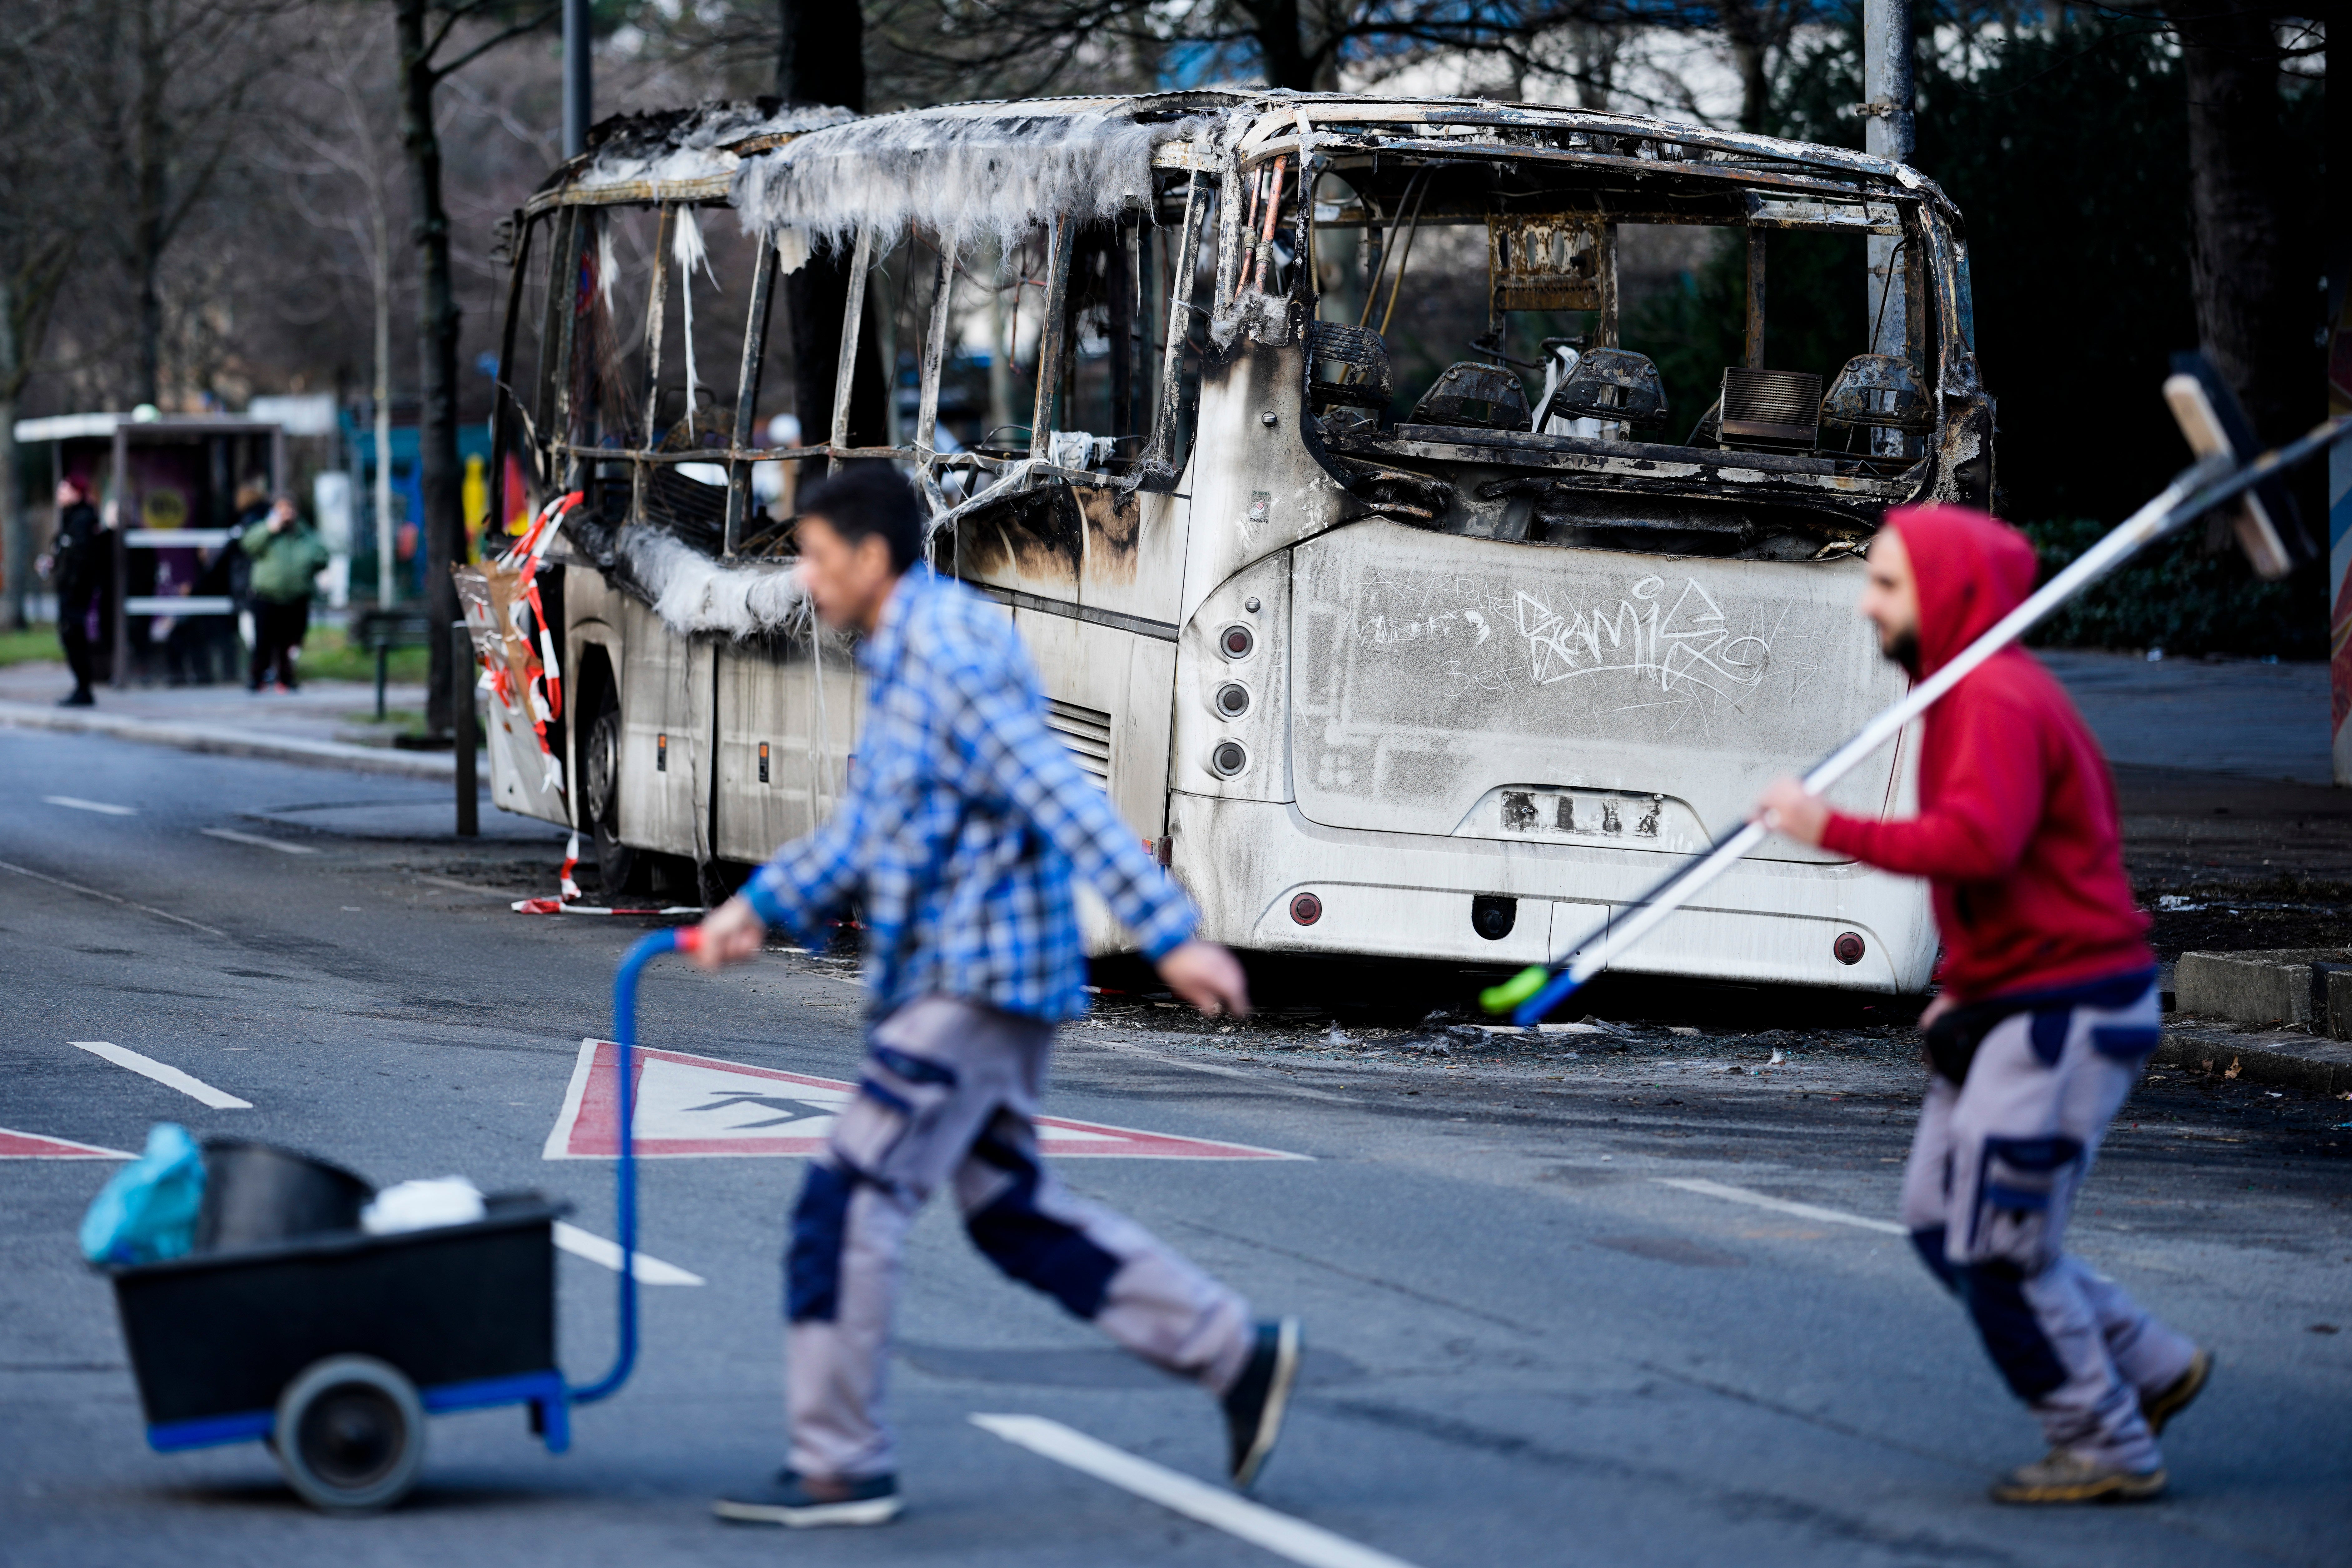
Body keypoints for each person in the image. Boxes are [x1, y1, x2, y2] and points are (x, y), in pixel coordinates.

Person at [688, 464, 1299, 1529]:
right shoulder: (912, 648)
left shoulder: (945, 652)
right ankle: (1230, 1352)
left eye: (817, 558)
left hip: (969, 981)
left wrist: (1167, 935)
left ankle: (837, 1464)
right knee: (1011, 1213)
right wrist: (759, 904)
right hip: (977, 977)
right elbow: (878, 827)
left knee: (845, 1203)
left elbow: (1055, 785)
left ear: (870, 560)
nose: (805, 577)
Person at [1753, 504, 2209, 1506]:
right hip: (2008, 1002)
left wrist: (1827, 825)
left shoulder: (1995, 697)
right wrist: (1960, 988)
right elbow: (2005, 881)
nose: (1866, 605)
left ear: (1944, 593)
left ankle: (2104, 1439)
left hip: (2064, 1010)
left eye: (1884, 584)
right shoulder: (1958, 691)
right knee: (1935, 1219)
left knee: (1997, 1247)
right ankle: (2147, 1360)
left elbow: (1977, 844)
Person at [240, 494, 328, 692]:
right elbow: (248, 545)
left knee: (290, 642)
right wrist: (269, 529)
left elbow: (321, 555)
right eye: (282, 509)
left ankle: (285, 678)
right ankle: (258, 678)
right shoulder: (265, 531)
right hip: (267, 595)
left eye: (289, 509)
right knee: (263, 641)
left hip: (296, 597)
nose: (286, 514)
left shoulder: (304, 534)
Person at [40, 477, 103, 705]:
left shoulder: (83, 520)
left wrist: (73, 583)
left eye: (64, 490)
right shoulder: (70, 520)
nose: (59, 494)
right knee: (70, 637)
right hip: (70, 589)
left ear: (77, 492)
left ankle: (84, 689)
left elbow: (81, 558)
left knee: (74, 636)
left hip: (76, 592)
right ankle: (81, 687)